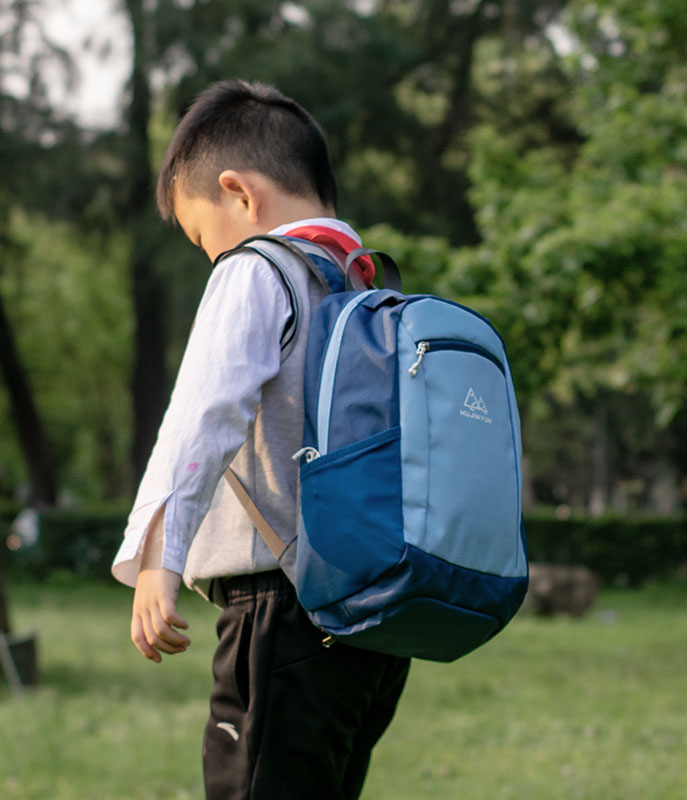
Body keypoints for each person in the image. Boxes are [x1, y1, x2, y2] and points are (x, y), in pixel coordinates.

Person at [111, 79, 410, 800]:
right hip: (374, 615)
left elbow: (205, 411)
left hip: (280, 610)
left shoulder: (255, 270)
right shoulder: (370, 289)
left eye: (200, 236)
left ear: (239, 194)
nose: (207, 256)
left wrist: (158, 550)